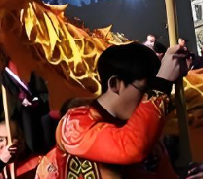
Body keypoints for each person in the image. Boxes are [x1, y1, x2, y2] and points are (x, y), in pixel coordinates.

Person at [35, 42, 189, 179]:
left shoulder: (148, 137)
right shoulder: (74, 124)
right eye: (144, 91)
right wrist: (161, 83)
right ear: (115, 84)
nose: (146, 101)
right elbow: (130, 146)